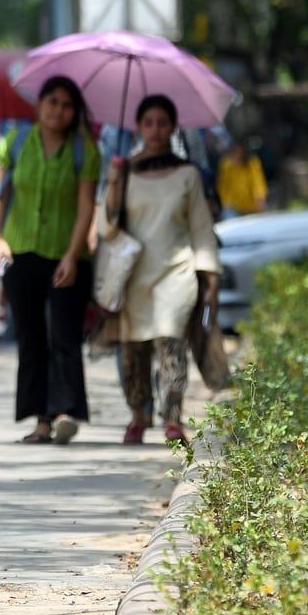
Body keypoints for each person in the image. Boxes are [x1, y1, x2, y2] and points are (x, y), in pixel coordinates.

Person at [98, 95, 221, 444]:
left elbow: (201, 228)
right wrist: (113, 183)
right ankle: (138, 414)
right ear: (138, 127)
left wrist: (210, 278)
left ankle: (172, 418)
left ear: (173, 127)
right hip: (133, 276)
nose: (155, 130)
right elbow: (106, 227)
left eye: (162, 123)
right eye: (148, 122)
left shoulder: (188, 175)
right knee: (133, 351)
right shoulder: (124, 171)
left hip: (176, 274)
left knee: (171, 345)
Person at [0, 75, 100, 444]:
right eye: (52, 102)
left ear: (74, 112)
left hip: (68, 256)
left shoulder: (85, 150)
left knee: (65, 335)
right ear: (39, 105)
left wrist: (72, 254)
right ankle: (40, 420)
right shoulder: (15, 142)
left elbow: (86, 208)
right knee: (30, 336)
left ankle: (65, 411)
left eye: (66, 105)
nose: (58, 110)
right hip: (21, 253)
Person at [215, 137, 268, 217]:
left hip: (250, 205)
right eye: (236, 152)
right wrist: (222, 203)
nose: (238, 154)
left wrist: (260, 198)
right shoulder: (226, 164)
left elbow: (258, 181)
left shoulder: (252, 162)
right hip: (231, 205)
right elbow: (222, 185)